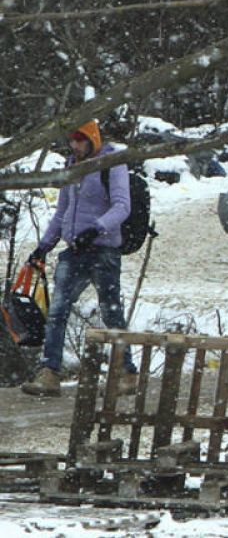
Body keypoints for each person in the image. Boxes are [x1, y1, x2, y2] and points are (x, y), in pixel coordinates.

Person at [21, 121, 138, 397]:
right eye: (72, 140)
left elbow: (122, 206)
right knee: (58, 309)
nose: (75, 145)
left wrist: (97, 228)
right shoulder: (72, 166)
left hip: (104, 250)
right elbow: (63, 210)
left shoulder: (112, 163)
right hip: (74, 251)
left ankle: (127, 371)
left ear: (93, 139)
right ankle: (49, 372)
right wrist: (43, 246)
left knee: (111, 311)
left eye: (81, 139)